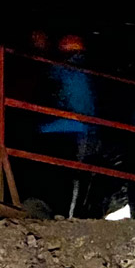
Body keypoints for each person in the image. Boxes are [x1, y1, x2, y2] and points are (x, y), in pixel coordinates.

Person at [37, 32, 98, 217]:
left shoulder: (60, 71)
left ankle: (58, 212)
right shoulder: (79, 75)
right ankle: (66, 214)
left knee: (60, 174)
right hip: (73, 129)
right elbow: (86, 106)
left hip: (57, 128)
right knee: (73, 176)